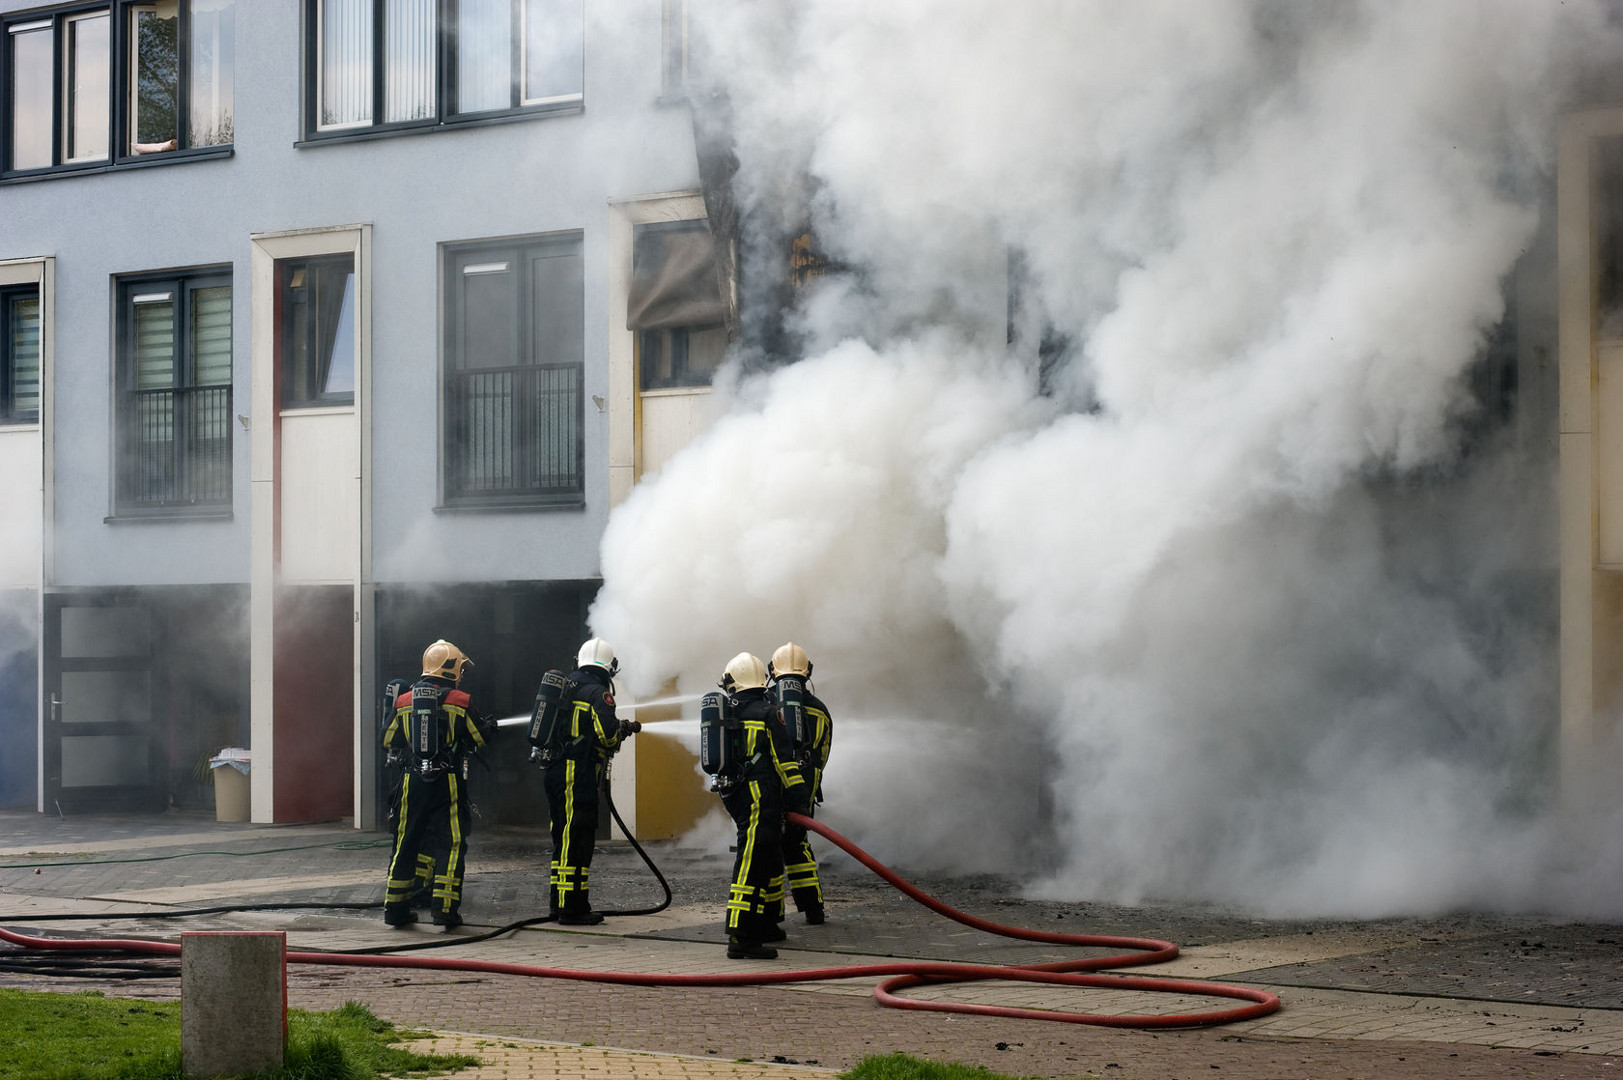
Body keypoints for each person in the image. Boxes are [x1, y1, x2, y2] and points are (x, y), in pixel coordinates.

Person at [381, 639, 491, 930]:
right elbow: (478, 738)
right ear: (450, 668)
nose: (462, 675)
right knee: (451, 843)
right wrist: (487, 728)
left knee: (405, 841)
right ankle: (444, 909)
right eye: (460, 669)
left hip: (412, 781)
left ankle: (395, 909)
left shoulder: (404, 701)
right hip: (447, 782)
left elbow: (388, 739)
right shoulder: (460, 701)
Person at [539, 638, 639, 925]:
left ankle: (558, 903)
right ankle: (573, 909)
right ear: (610, 667)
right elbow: (607, 736)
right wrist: (622, 729)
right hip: (577, 774)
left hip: (553, 771)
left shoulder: (564, 687)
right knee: (578, 839)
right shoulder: (598, 694)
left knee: (562, 837)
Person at [713, 652, 806, 959]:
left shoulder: (730, 712)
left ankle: (764, 925)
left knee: (766, 860)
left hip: (738, 796)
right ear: (761, 681)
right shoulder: (768, 713)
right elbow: (785, 763)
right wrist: (799, 801)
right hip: (759, 799)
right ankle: (741, 937)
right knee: (751, 864)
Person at [768, 642, 833, 925]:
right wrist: (805, 785)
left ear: (772, 671)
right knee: (798, 845)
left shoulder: (767, 705)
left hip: (772, 786)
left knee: (769, 846)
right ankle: (813, 909)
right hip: (805, 787)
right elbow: (822, 755)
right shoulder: (820, 710)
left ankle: (772, 914)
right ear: (808, 672)